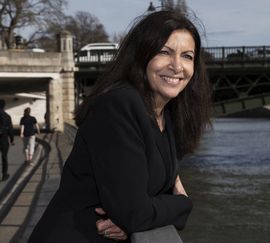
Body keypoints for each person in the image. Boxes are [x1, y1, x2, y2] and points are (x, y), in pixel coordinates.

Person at [28, 9, 211, 242]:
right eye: (164, 52)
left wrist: (135, 216)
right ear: (142, 56)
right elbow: (136, 213)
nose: (177, 66)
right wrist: (183, 204)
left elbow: (139, 207)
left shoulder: (168, 115)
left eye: (187, 56)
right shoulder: (119, 105)